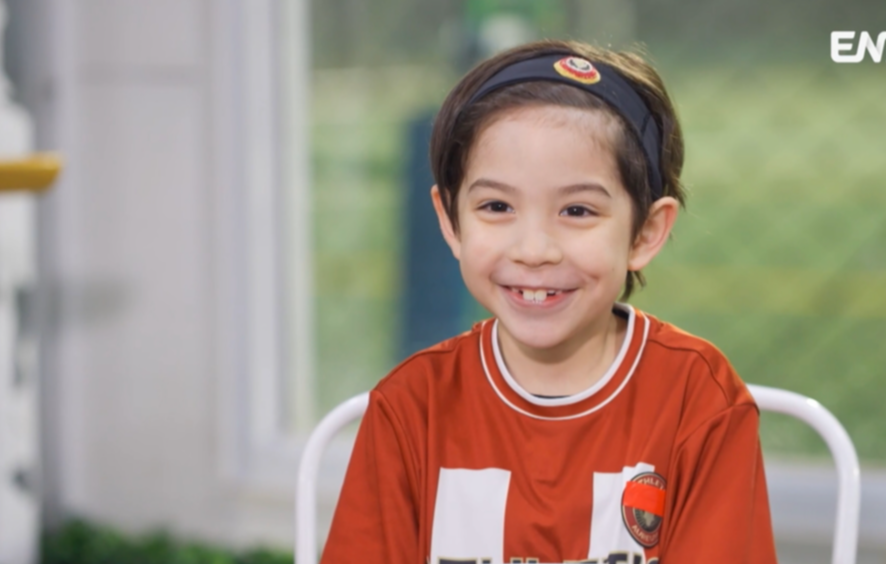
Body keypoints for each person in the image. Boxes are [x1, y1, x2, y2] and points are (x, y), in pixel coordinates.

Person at [321, 39, 777, 564]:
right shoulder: (410, 408)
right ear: (450, 222)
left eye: (577, 211)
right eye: (497, 206)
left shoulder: (698, 401)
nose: (534, 250)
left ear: (645, 233)